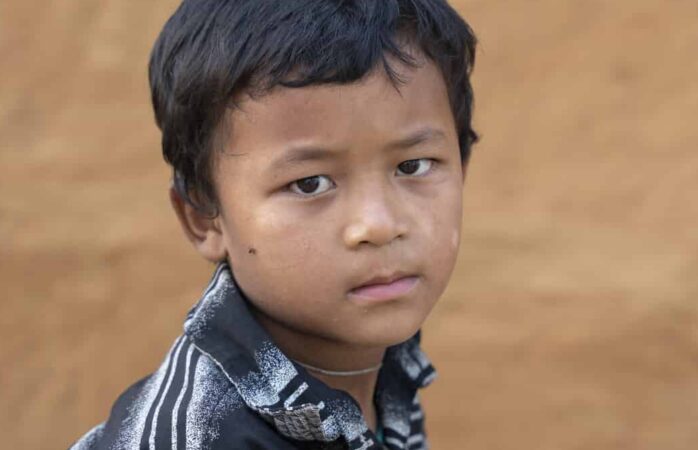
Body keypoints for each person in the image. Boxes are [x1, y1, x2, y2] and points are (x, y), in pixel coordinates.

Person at [70, 0, 477, 448]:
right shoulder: (196, 438)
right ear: (205, 217)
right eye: (309, 184)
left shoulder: (374, 368)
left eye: (414, 165)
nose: (378, 225)